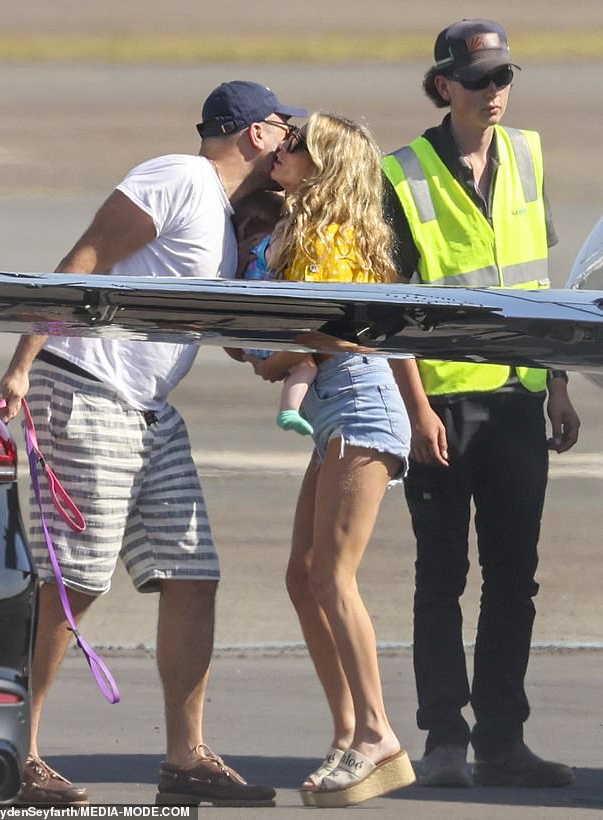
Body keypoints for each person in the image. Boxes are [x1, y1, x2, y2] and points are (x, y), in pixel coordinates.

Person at [0, 79, 306, 807]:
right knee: (76, 580)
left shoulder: (228, 220)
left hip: (148, 411)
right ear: (255, 133)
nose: (291, 136)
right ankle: (16, 749)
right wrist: (21, 363)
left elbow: (231, 343)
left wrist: (307, 346)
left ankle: (185, 756)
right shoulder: (178, 176)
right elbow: (84, 259)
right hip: (84, 386)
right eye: (283, 125)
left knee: (192, 574)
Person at [382, 20, 580, 788]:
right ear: (443, 88)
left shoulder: (527, 156)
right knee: (441, 577)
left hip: (518, 401)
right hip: (442, 406)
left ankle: (502, 738)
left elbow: (541, 283)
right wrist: (416, 409)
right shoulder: (402, 174)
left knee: (513, 577)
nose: (495, 93)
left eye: (503, 78)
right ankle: (443, 740)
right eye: (479, 80)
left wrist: (557, 381)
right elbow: (390, 309)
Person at [248, 112, 416, 808]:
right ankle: (349, 730)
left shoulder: (323, 236)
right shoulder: (316, 231)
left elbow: (320, 341)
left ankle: (377, 734)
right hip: (336, 416)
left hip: (358, 411)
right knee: (303, 575)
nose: (283, 151)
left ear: (323, 167)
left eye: (296, 145)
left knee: (333, 577)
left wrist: (271, 357)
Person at [232, 189, 316, 436]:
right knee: (305, 366)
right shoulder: (265, 247)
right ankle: (290, 408)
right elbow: (278, 255)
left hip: (251, 339)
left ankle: (294, 407)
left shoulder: (242, 259)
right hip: (273, 335)